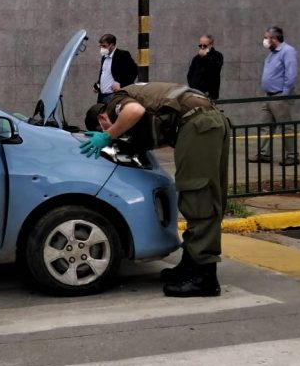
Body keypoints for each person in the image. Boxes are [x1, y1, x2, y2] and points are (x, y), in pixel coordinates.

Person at [82, 82, 230, 298]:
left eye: (100, 130)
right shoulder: (135, 99)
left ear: (102, 119)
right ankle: (190, 266)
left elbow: (135, 111)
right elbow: (149, 130)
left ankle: (203, 277)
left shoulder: (116, 103)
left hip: (198, 123)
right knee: (202, 196)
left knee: (198, 198)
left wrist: (108, 135)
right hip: (206, 121)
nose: (106, 133)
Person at [250, 26, 299, 166]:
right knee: (265, 125)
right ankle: (264, 154)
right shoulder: (272, 53)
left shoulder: (287, 51)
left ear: (274, 38)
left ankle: (292, 155)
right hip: (268, 95)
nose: (265, 40)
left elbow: (291, 74)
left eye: (266, 37)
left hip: (279, 96)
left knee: (286, 126)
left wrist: (284, 94)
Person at [93, 34, 138, 104]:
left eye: (104, 46)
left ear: (112, 45)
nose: (102, 48)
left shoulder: (122, 55)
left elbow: (134, 71)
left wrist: (122, 85)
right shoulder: (104, 57)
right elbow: (104, 74)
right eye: (100, 46)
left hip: (114, 96)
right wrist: (98, 85)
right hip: (102, 96)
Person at [186, 34, 223, 100]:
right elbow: (190, 74)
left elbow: (214, 71)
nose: (202, 47)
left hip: (209, 94)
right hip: (195, 93)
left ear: (211, 44)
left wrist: (205, 57)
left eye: (205, 45)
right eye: (200, 45)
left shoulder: (217, 56)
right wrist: (192, 85)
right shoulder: (196, 58)